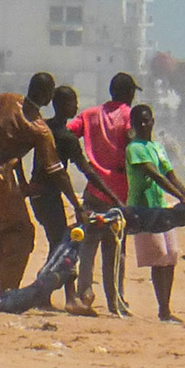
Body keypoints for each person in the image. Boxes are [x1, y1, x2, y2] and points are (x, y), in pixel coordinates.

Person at [0, 73, 83, 295]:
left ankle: (4, 288)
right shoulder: (39, 129)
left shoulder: (3, 100)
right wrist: (77, 205)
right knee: (23, 233)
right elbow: (57, 172)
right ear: (48, 97)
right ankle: (9, 290)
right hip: (2, 186)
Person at [37, 86, 124, 311]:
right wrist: (111, 196)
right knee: (64, 246)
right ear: (63, 105)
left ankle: (55, 295)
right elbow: (86, 170)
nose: (76, 107)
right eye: (73, 102)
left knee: (59, 243)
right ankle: (63, 297)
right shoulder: (65, 137)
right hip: (50, 194)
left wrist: (23, 181)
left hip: (39, 194)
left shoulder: (42, 127)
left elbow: (18, 150)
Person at [67, 71, 138, 315]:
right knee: (115, 250)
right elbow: (132, 139)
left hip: (94, 190)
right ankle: (115, 299)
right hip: (119, 194)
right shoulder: (128, 115)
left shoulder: (90, 114)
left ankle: (84, 293)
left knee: (88, 246)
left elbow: (68, 131)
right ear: (129, 94)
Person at [124, 103, 185, 322]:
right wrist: (183, 199)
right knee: (158, 258)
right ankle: (162, 309)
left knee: (171, 256)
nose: (145, 124)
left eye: (148, 120)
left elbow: (170, 175)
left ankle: (167, 308)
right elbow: (156, 176)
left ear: (153, 121)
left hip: (161, 205)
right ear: (133, 125)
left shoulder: (158, 147)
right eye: (140, 121)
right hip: (142, 209)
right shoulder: (134, 148)